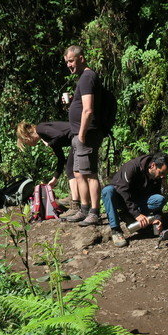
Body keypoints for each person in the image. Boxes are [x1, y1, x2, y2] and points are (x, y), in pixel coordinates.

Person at [62, 45, 104, 226]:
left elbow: (88, 110)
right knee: (78, 173)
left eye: (71, 61)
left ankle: (94, 212)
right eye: (67, 62)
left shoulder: (87, 77)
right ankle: (84, 209)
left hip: (86, 134)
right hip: (80, 134)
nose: (69, 65)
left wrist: (81, 134)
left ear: (81, 58)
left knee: (90, 173)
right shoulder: (83, 79)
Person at [101, 152, 168, 247]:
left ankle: (128, 216)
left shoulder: (157, 176)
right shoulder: (132, 166)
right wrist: (137, 214)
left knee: (159, 199)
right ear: (153, 165)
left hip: (138, 201)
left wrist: (157, 218)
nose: (163, 176)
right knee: (108, 191)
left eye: (165, 174)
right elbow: (123, 191)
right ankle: (116, 230)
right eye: (162, 172)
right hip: (121, 200)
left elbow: (156, 194)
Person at [15, 121, 80, 218]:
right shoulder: (47, 136)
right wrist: (55, 179)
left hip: (78, 136)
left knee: (70, 170)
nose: (28, 145)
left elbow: (60, 135)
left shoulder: (40, 128)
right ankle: (74, 198)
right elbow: (61, 158)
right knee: (70, 168)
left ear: (27, 136)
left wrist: (49, 143)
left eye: (25, 142)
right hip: (76, 138)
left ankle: (75, 205)